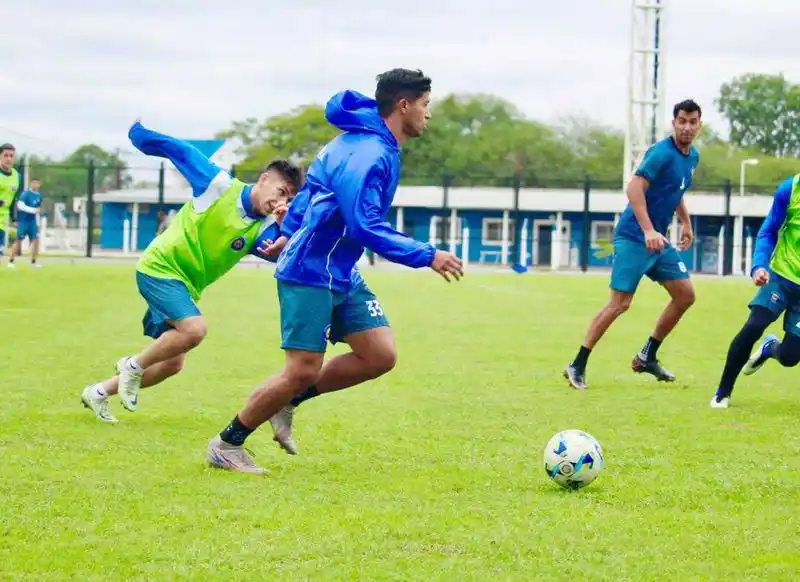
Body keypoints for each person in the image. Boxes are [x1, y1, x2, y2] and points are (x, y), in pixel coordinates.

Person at [206, 68, 464, 474]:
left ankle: (289, 401)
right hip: (311, 270)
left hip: (339, 268)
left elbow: (310, 189)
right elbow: (366, 226)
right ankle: (227, 443)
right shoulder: (370, 154)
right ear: (404, 105)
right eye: (426, 104)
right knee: (301, 370)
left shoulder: (358, 141)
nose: (428, 114)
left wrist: (287, 231)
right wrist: (427, 255)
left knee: (379, 354)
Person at [80, 119, 303, 423]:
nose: (282, 201)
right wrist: (139, 134)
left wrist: (286, 229)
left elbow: (280, 254)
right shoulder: (219, 185)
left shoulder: (265, 227)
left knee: (172, 364)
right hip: (159, 268)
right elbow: (179, 150)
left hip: (183, 286)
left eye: (290, 198)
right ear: (264, 179)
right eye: (281, 191)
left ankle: (99, 392)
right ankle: (131, 365)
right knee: (194, 330)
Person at [564, 100, 702, 390]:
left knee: (685, 295)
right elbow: (633, 188)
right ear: (673, 123)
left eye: (692, 122)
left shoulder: (692, 157)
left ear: (699, 125)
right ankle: (577, 364)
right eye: (681, 121)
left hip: (658, 241)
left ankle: (647, 356)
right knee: (620, 304)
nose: (687, 127)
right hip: (634, 237)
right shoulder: (661, 153)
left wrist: (686, 223)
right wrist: (648, 229)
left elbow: (675, 190)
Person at [711, 174, 800, 408]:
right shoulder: (790, 190)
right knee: (753, 326)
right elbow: (768, 231)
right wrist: (759, 265)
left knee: (790, 358)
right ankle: (723, 392)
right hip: (780, 276)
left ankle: (770, 348)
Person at [8, 178, 43, 268]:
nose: (35, 185)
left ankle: (33, 262)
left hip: (32, 222)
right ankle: (11, 261)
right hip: (24, 221)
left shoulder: (39, 195)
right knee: (18, 240)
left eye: (37, 183)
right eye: (33, 183)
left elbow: (38, 209)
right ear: (31, 184)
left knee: (36, 241)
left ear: (39, 185)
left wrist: (38, 221)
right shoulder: (25, 194)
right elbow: (20, 206)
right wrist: (33, 210)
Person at [0, 143, 22, 264]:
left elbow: (14, 199)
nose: (9, 159)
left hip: (2, 219)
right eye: (6, 155)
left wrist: (14, 218)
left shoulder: (17, 176)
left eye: (11, 156)